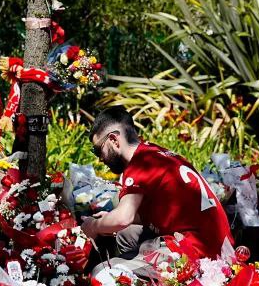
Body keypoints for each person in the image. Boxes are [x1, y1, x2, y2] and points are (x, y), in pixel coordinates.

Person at [80, 106, 233, 260]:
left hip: (200, 251)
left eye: (98, 150)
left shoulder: (140, 164)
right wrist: (109, 219)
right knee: (125, 234)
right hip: (217, 244)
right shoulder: (151, 152)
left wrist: (93, 226)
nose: (100, 159)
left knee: (103, 271)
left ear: (114, 140)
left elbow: (123, 218)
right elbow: (152, 212)